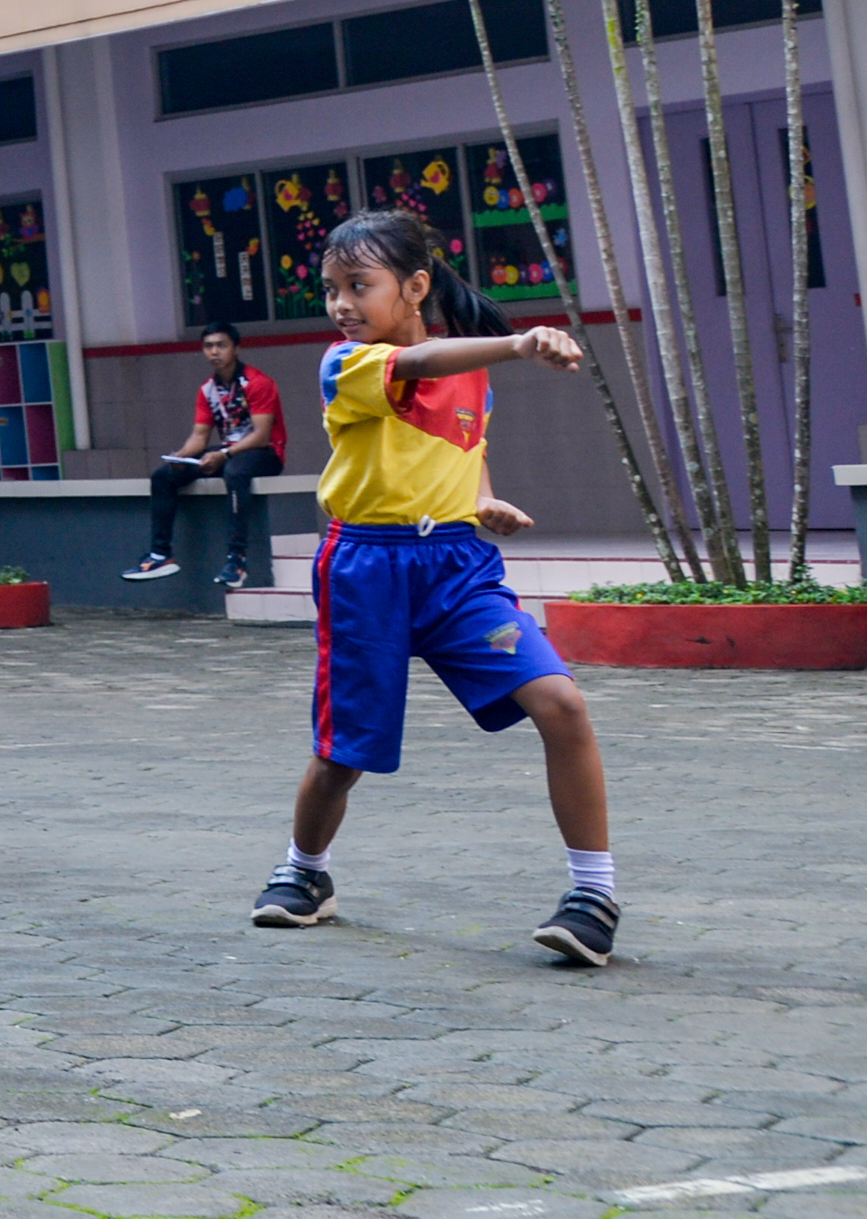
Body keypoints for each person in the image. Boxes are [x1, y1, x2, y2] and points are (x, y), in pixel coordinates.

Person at [251, 208, 618, 964]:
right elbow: (422, 369)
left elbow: (462, 445)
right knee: (342, 754)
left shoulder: (469, 373)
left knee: (562, 702)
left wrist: (482, 498)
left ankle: (593, 895)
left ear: (415, 287)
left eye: (360, 285)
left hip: (458, 570)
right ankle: (305, 873)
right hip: (365, 572)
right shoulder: (345, 363)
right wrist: (522, 342)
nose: (342, 304)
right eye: (331, 289)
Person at [133, 325, 287, 586]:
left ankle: (236, 560)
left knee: (235, 472)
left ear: (236, 348)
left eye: (221, 345)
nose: (214, 352)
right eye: (208, 346)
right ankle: (161, 555)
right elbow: (199, 437)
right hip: (230, 453)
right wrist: (180, 458)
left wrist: (224, 454)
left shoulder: (257, 383)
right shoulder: (207, 390)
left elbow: (261, 435)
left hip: (265, 453)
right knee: (163, 476)